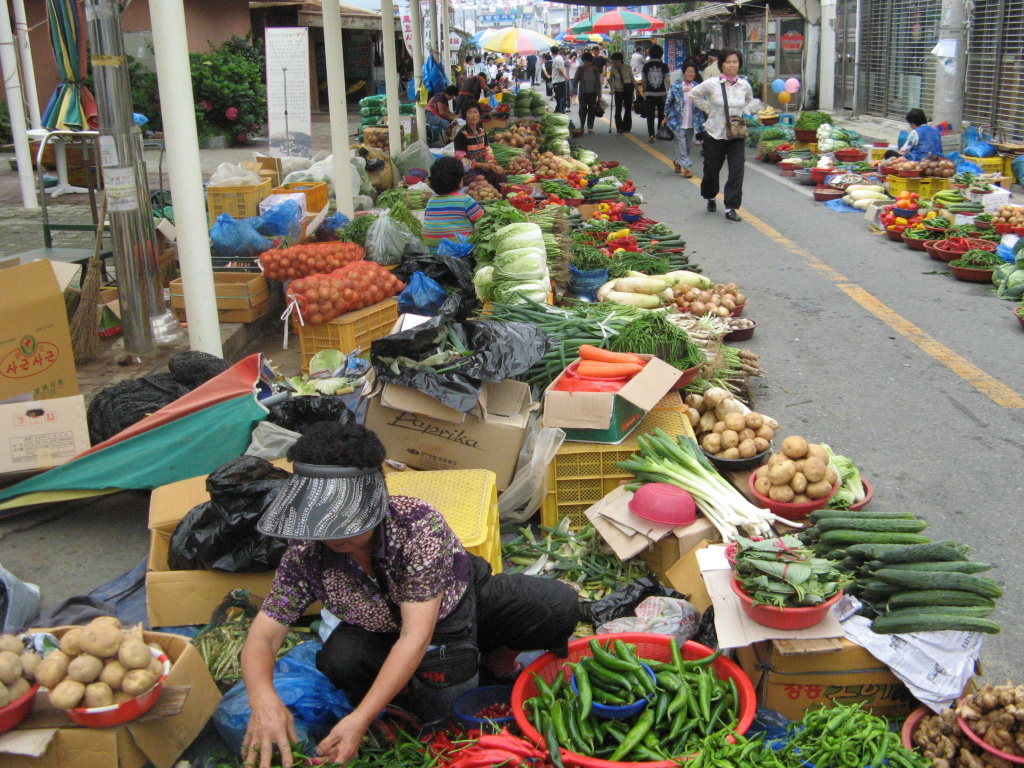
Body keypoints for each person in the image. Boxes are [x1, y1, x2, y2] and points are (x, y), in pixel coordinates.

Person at [240, 423, 581, 768]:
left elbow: (415, 636)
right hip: (383, 629)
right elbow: (264, 635)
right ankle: (403, 696)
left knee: (553, 605)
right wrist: (262, 697)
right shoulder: (306, 553)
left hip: (454, 607)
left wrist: (359, 719)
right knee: (340, 660)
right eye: (323, 522)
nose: (334, 537)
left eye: (347, 520)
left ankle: (497, 661)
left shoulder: (416, 526)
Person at [688, 48, 757, 222]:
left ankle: (731, 207)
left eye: (735, 61)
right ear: (721, 64)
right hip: (714, 133)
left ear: (739, 63)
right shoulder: (712, 83)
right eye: (728, 62)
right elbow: (693, 94)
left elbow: (748, 99)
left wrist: (738, 112)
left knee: (736, 171)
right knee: (712, 170)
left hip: (735, 134)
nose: (732, 65)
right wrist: (708, 108)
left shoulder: (744, 85)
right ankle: (711, 196)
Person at [421, 157, 484, 250]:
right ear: (459, 181)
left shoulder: (431, 202)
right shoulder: (465, 200)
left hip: (433, 252)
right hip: (460, 253)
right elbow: (483, 222)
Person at [453, 102, 506, 189]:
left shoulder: (482, 132)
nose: (473, 116)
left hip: (482, 167)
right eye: (469, 113)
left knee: (500, 174)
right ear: (465, 116)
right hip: (468, 171)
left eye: (475, 112)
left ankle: (503, 199)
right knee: (481, 180)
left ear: (479, 114)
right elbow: (460, 160)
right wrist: (479, 165)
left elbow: (487, 151)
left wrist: (492, 164)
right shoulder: (461, 135)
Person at [663, 61, 701, 177]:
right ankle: (686, 167)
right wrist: (665, 117)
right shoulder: (676, 86)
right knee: (681, 143)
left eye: (693, 72)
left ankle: (677, 162)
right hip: (677, 121)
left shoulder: (698, 87)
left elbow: (703, 102)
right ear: (684, 73)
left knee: (687, 144)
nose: (690, 74)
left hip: (692, 121)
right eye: (688, 72)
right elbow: (668, 102)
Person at [641, 43, 671, 143]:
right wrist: (669, 92)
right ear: (661, 54)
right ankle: (660, 132)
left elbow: (643, 80)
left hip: (649, 93)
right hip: (662, 93)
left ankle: (651, 134)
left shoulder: (646, 66)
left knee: (650, 114)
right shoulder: (664, 66)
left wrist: (644, 90)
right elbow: (667, 80)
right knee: (661, 114)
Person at [571, 51, 602, 134]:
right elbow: (575, 80)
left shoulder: (595, 70)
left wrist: (599, 95)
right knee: (582, 110)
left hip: (593, 93)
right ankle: (582, 125)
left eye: (587, 61)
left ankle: (590, 127)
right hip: (583, 93)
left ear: (590, 61)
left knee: (591, 110)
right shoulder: (580, 69)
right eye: (584, 61)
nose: (586, 63)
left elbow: (598, 83)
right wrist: (573, 89)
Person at [608, 51, 633, 134]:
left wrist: (637, 89)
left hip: (627, 90)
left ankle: (627, 127)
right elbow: (610, 79)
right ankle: (619, 127)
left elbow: (632, 78)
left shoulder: (627, 67)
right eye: (613, 61)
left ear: (620, 60)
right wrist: (611, 89)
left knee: (627, 109)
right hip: (618, 90)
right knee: (618, 109)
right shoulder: (613, 69)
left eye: (615, 61)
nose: (614, 63)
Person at [551, 46, 568, 113]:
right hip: (561, 80)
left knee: (558, 96)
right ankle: (559, 108)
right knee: (561, 95)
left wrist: (565, 76)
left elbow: (560, 70)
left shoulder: (556, 60)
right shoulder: (560, 57)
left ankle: (560, 109)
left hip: (558, 80)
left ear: (551, 52)